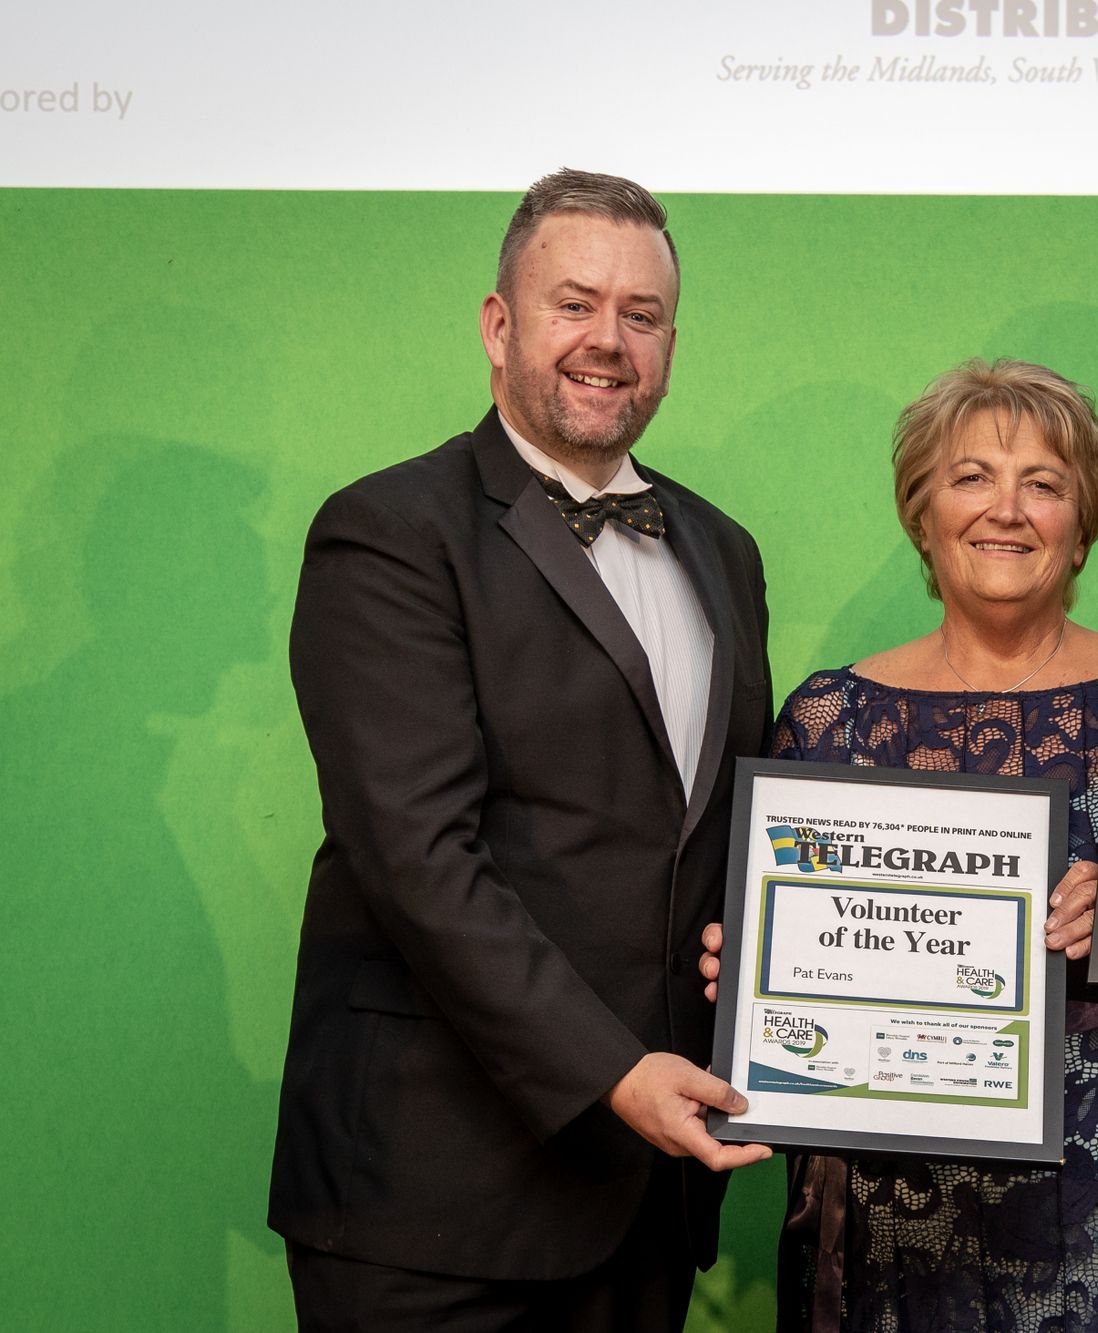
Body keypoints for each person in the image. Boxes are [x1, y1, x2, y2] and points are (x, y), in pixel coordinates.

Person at [268, 169, 773, 1331]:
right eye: (574, 304)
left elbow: (715, 834)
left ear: (671, 341)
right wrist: (613, 1071)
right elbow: (416, 858)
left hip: (646, 1202)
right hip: (431, 1206)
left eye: (640, 315)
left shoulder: (722, 550)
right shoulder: (391, 533)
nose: (608, 341)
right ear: (499, 325)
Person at [706, 358, 1098, 1332]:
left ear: (1081, 523)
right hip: (892, 1225)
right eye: (971, 476)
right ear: (919, 513)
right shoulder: (829, 718)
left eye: (1042, 484)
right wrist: (754, 973)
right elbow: (792, 975)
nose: (1005, 509)